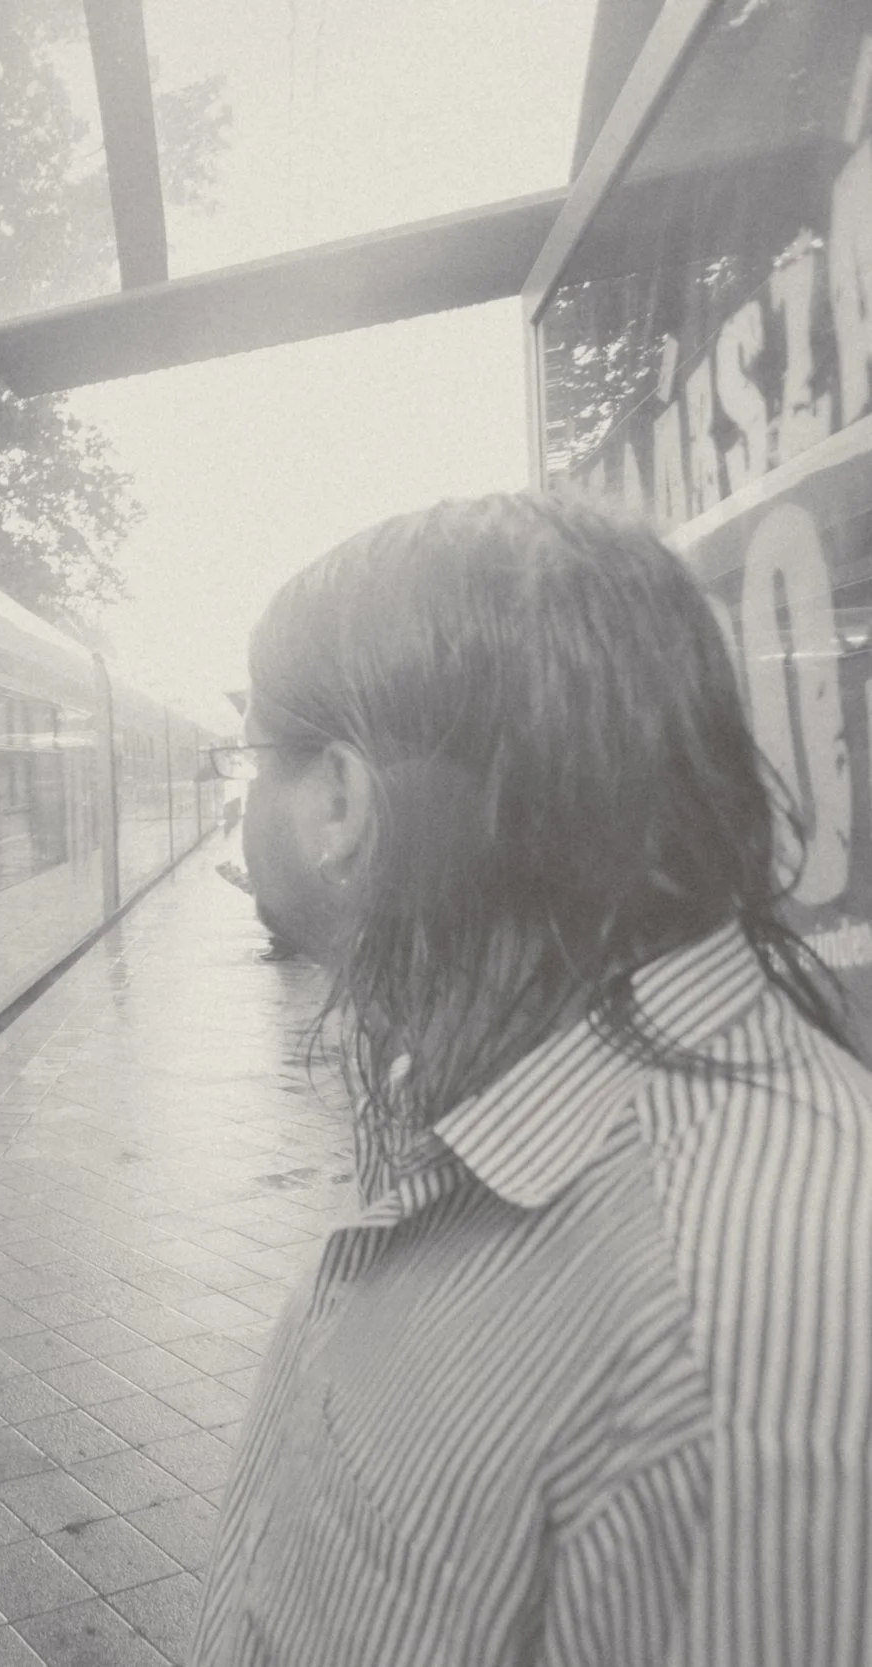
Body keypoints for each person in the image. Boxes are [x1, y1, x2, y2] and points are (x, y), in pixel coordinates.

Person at [198, 494, 872, 1666]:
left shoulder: (732, 1319)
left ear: (341, 801)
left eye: (257, 755)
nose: (245, 798)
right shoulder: (484, 1090)